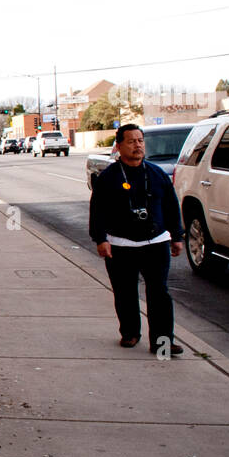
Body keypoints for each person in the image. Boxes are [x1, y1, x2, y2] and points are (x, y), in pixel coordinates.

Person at [89, 124, 185, 354]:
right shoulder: (108, 178)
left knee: (159, 293)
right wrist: (100, 239)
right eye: (131, 141)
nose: (137, 145)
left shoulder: (156, 174)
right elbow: (98, 210)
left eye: (140, 141)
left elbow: (171, 206)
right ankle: (130, 333)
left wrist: (177, 236)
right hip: (121, 245)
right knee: (125, 292)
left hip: (156, 243)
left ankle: (163, 342)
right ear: (119, 146)